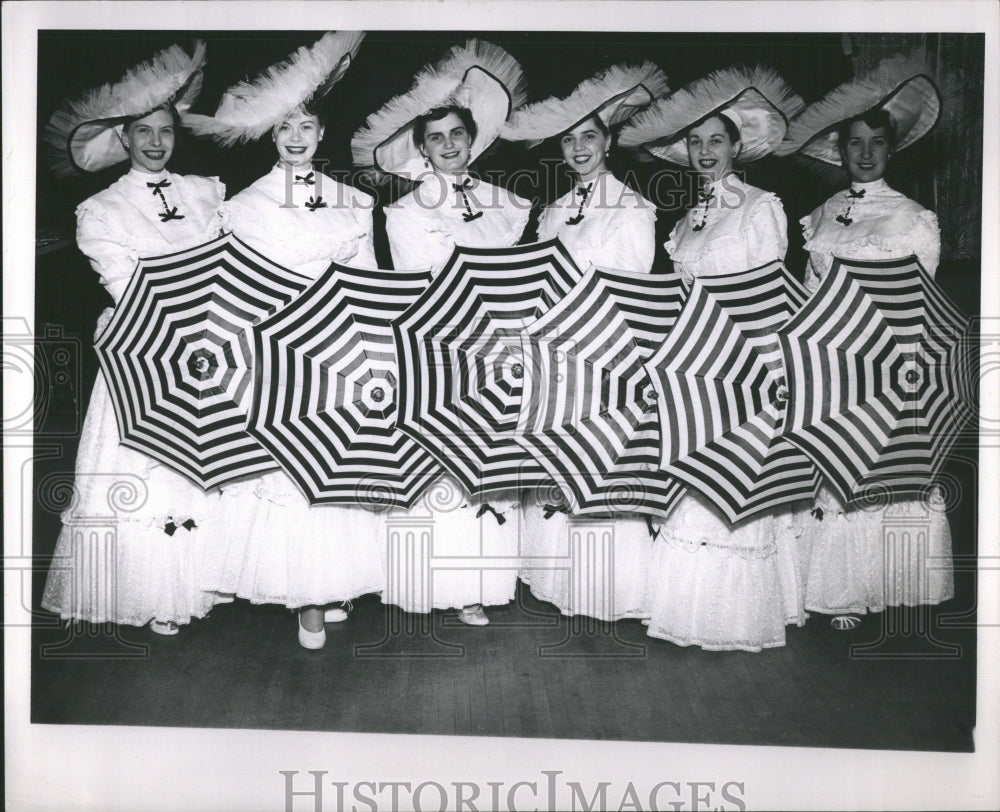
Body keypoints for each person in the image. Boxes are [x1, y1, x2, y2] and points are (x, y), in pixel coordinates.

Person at [186, 32, 383, 649]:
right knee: (289, 476)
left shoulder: (354, 201)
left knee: (337, 473)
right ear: (272, 136)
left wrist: (371, 347)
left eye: (307, 126)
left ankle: (335, 580)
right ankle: (306, 597)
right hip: (277, 357)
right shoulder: (247, 206)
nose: (296, 137)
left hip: (343, 353)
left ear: (322, 134)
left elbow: (373, 282)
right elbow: (233, 290)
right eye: (284, 128)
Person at [618, 65, 808, 650]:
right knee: (694, 481)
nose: (704, 152)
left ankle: (737, 616)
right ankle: (687, 610)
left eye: (716, 141)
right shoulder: (686, 221)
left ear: (736, 147)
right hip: (695, 367)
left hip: (746, 366)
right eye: (696, 143)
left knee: (739, 486)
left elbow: (773, 295)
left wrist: (759, 368)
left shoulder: (760, 207)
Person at [41, 42, 227, 635]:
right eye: (142, 131)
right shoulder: (101, 209)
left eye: (164, 131)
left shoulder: (208, 192)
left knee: (209, 464)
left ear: (176, 135)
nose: (154, 141)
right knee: (148, 468)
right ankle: (153, 592)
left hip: (214, 344)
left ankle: (210, 578)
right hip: (143, 349)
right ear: (123, 139)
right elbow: (128, 285)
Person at [352, 40, 530, 625]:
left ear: (471, 138)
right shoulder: (403, 214)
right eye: (437, 137)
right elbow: (413, 291)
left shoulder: (511, 205)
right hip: (439, 351)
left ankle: (478, 584)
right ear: (422, 148)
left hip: (501, 349)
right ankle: (427, 580)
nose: (449, 145)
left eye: (458, 134)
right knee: (442, 467)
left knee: (488, 467)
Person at [779, 54, 953, 629]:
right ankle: (837, 587)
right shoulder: (822, 214)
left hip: (887, 361)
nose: (866, 153)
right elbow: (810, 294)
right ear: (842, 148)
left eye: (877, 142)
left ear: (891, 149)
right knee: (834, 467)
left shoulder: (913, 218)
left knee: (881, 470)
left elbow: (920, 303)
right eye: (856, 143)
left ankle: (886, 583)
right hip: (832, 362)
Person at [501, 61, 670, 620]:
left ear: (609, 141)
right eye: (569, 138)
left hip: (608, 353)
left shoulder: (633, 208)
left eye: (589, 136)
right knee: (557, 460)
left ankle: (609, 587)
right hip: (556, 354)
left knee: (600, 467)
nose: (578, 147)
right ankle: (559, 579)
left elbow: (633, 291)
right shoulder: (553, 211)